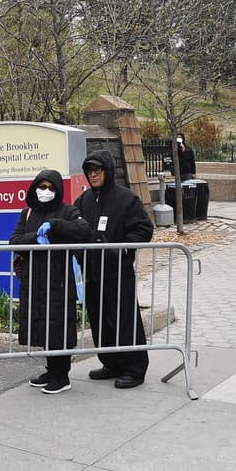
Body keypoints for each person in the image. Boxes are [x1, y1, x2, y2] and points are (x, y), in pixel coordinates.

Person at [75, 150, 154, 389]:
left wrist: (118, 249)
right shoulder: (83, 200)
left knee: (124, 320)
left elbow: (143, 230)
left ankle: (134, 368)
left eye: (98, 170)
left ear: (108, 171)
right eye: (90, 171)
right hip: (92, 273)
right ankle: (110, 362)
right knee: (100, 321)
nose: (94, 174)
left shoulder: (126, 199)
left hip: (117, 273)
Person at [8, 169, 91, 395]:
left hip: (59, 280)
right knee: (43, 325)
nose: (45, 191)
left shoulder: (68, 211)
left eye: (51, 187)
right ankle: (51, 370)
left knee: (59, 326)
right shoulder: (27, 213)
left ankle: (61, 375)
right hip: (35, 280)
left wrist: (55, 225)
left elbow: (83, 230)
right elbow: (14, 241)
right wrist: (36, 237)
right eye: (42, 187)